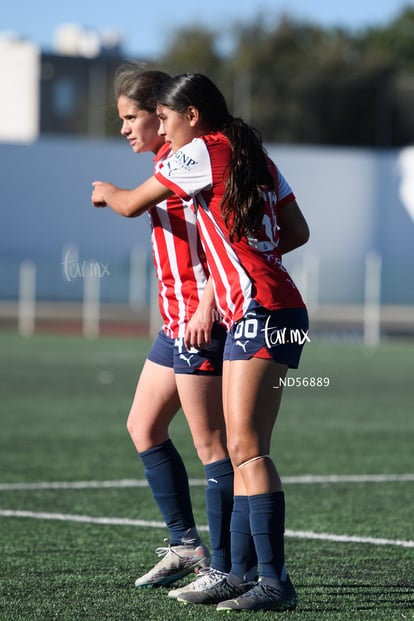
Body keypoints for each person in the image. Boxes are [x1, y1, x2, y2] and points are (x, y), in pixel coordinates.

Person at [92, 72, 310, 612]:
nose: (160, 131)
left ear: (191, 115)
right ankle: (239, 573)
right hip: (262, 305)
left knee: (245, 450)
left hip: (263, 308)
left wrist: (104, 192)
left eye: (163, 119)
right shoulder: (249, 153)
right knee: (239, 449)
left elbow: (128, 204)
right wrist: (245, 245)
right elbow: (297, 231)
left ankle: (271, 582)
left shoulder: (203, 150)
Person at [92, 65, 250, 594]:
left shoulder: (190, 162)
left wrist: (207, 300)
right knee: (143, 426)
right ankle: (186, 544)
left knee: (214, 446)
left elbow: (225, 239)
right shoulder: (170, 161)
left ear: (166, 117)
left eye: (134, 116)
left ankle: (231, 568)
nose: (126, 127)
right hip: (174, 322)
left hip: (200, 321)